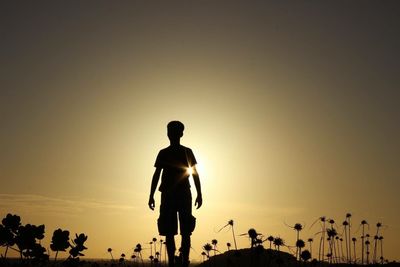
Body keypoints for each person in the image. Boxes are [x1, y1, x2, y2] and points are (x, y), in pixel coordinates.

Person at [148, 121, 203, 267]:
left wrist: (200, 193)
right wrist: (151, 195)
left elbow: (195, 173)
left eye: (172, 130)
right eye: (169, 130)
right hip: (168, 194)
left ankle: (184, 261)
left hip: (183, 194)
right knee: (169, 231)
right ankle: (172, 262)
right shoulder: (163, 152)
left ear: (180, 133)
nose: (170, 133)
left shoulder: (187, 151)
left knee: (185, 231)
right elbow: (156, 174)